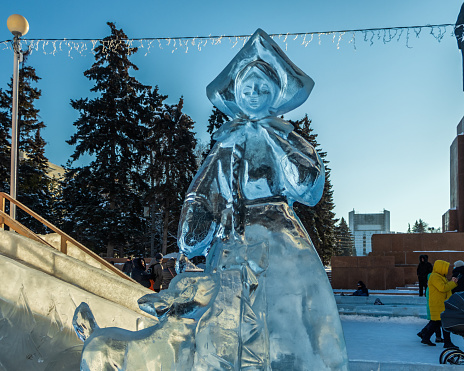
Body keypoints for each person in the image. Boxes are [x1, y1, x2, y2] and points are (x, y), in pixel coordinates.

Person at [419, 260, 458, 348]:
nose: (447, 270)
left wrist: (452, 282)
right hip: (438, 304)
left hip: (440, 304)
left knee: (436, 322)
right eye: (445, 268)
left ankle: (426, 337)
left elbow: (444, 286)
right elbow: (443, 288)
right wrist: (453, 283)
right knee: (444, 322)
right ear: (440, 268)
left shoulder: (440, 276)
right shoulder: (435, 277)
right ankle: (447, 342)